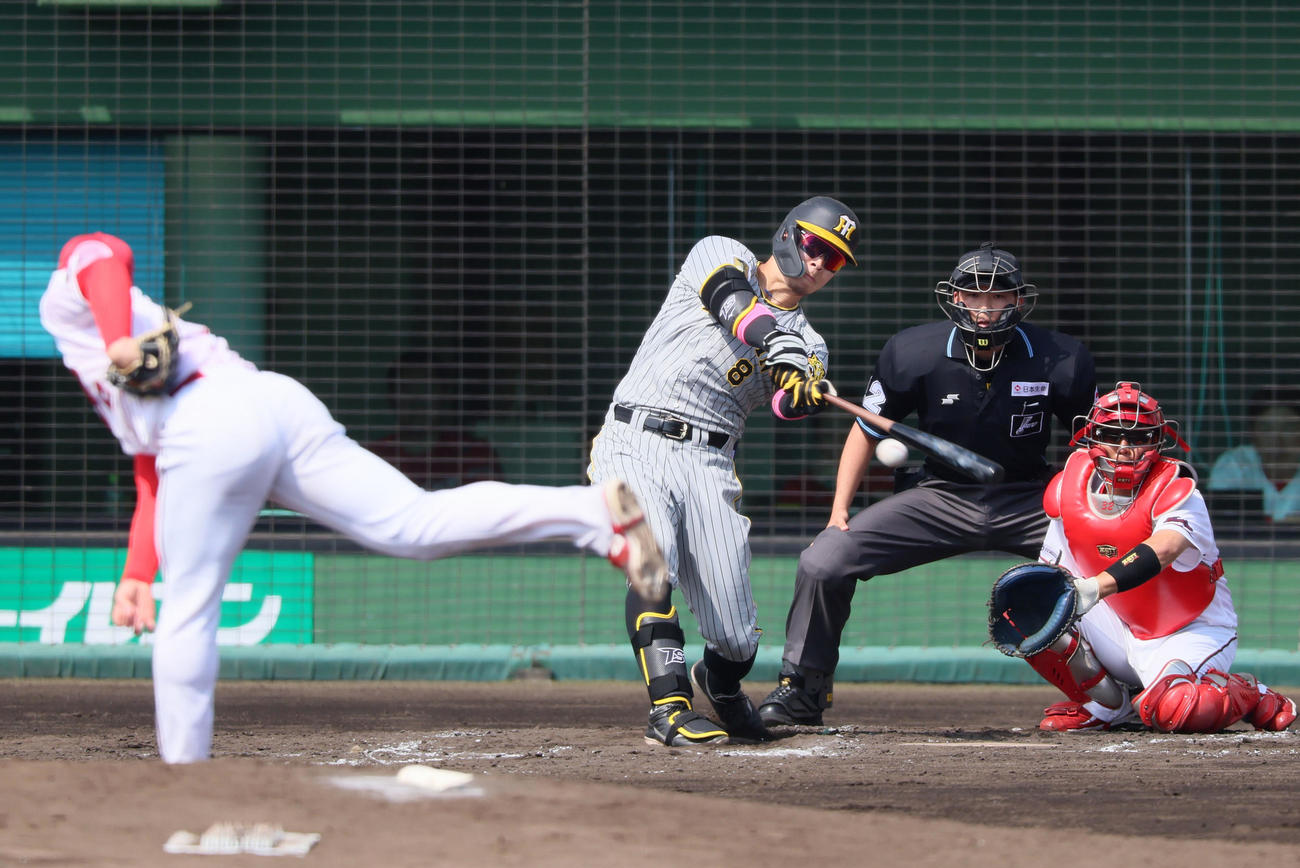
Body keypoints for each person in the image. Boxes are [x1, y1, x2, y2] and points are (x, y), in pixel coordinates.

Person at [39, 232, 669, 764]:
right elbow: (152, 472)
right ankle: (591, 515)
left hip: (213, 417)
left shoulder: (62, 305)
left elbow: (101, 252)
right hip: (269, 405)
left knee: (189, 609)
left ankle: (183, 779)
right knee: (412, 525)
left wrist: (119, 339)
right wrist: (136, 572)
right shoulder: (104, 372)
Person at [758, 242, 1097, 727]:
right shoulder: (911, 351)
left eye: (998, 296)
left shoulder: (1062, 357)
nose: (984, 308)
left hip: (1030, 499)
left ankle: (1129, 687)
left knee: (1117, 558)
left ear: (1018, 300)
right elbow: (865, 430)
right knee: (824, 560)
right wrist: (838, 513)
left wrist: (1093, 510)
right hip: (939, 497)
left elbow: (1091, 445)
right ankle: (803, 691)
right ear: (954, 298)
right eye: (973, 296)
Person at [587, 196, 860, 746]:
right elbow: (732, 302)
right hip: (636, 437)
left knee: (737, 639)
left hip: (710, 461)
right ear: (788, 235)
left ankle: (719, 682)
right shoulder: (720, 253)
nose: (818, 263)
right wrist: (774, 342)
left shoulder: (811, 345)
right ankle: (669, 707)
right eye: (815, 246)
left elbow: (785, 404)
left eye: (833, 259)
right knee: (652, 561)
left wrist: (802, 392)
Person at [1021, 382, 1295, 732]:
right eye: (1112, 435)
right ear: (1092, 438)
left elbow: (1164, 548)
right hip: (1116, 625)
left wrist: (1094, 587)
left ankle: (1251, 693)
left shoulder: (1177, 489)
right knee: (1025, 607)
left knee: (1180, 710)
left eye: (1138, 438)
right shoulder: (1067, 489)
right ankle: (1106, 705)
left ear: (1157, 441)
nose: (1124, 448)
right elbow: (1052, 570)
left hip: (1186, 629)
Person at [364, 347, 504, 489]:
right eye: (407, 390)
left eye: (426, 389)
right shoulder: (373, 458)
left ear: (444, 395)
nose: (417, 401)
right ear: (392, 397)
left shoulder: (474, 454)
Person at [1207, 388, 1300, 523]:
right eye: (1266, 429)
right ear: (1252, 433)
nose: (1276, 439)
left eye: (1287, 428)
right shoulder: (1234, 464)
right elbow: (1217, 522)